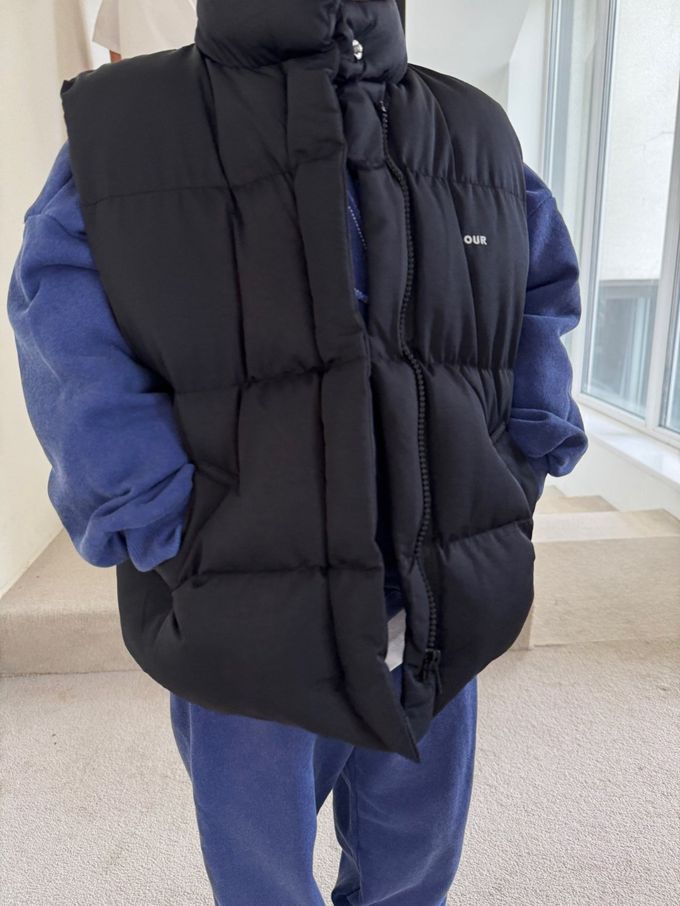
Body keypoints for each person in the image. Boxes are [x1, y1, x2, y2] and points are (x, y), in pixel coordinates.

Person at [7, 1, 588, 902]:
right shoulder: (126, 128)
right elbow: (63, 331)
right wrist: (161, 520)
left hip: (439, 596)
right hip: (241, 602)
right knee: (261, 876)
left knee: (416, 862)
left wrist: (512, 471)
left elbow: (539, 292)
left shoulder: (473, 130)